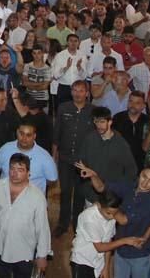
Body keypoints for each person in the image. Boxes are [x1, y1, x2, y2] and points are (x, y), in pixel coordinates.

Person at [0, 153, 51, 278]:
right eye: (12, 168)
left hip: (23, 253)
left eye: (20, 170)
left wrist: (42, 256)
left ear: (28, 173)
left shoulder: (37, 196)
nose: (14, 173)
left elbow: (42, 228)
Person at [70, 189, 145, 278]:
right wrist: (124, 241)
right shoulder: (89, 219)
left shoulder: (111, 214)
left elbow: (108, 242)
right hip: (82, 261)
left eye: (115, 213)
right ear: (99, 206)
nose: (112, 217)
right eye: (108, 213)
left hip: (98, 263)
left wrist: (106, 267)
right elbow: (100, 247)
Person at [53, 79, 94, 236]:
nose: (77, 94)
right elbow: (57, 133)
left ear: (87, 93)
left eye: (81, 90)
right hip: (64, 158)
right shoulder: (63, 108)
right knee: (65, 192)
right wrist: (54, 156)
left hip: (83, 162)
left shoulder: (93, 110)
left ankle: (77, 223)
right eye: (75, 90)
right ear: (71, 92)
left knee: (80, 193)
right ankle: (62, 224)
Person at [75, 106, 138, 204]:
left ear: (110, 122)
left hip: (111, 198)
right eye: (96, 122)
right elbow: (81, 163)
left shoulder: (121, 144)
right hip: (91, 196)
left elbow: (131, 171)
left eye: (102, 122)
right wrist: (85, 174)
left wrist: (119, 191)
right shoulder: (89, 138)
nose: (99, 125)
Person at [0, 122, 58, 193]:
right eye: (21, 133)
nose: (24, 138)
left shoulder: (45, 156)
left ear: (34, 136)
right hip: (5, 197)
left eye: (28, 135)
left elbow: (52, 180)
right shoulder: (5, 149)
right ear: (17, 132)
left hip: (32, 200)